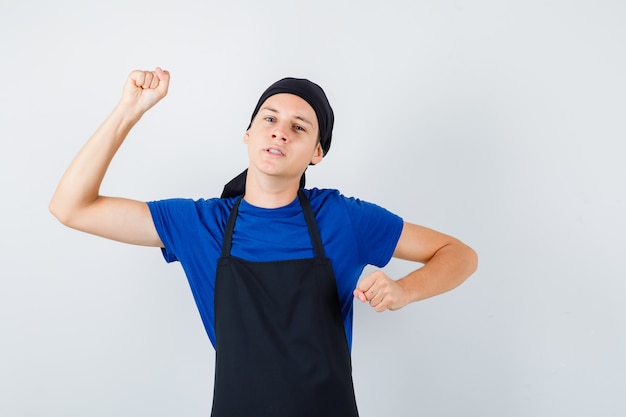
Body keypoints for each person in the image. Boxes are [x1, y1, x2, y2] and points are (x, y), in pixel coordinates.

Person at [49, 67, 478, 417]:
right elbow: (71, 207)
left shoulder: (342, 217)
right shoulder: (200, 224)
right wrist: (129, 110)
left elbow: (459, 254)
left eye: (299, 126)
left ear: (317, 153)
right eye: (269, 119)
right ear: (248, 134)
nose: (279, 132)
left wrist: (405, 290)